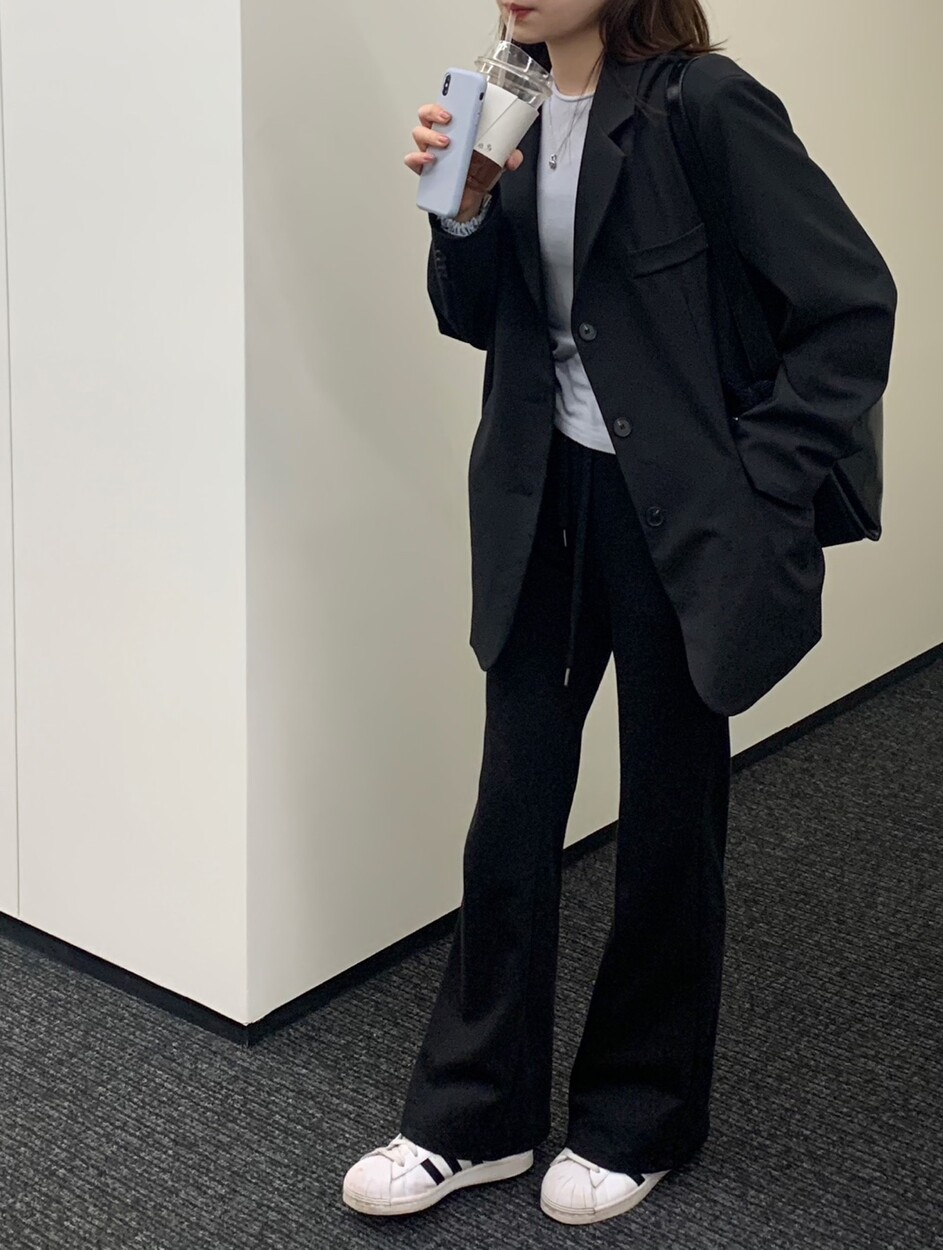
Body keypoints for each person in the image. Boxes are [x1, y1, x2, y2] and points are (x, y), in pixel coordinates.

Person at [343, 0, 897, 1227]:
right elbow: (475, 315)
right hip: (541, 498)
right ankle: (474, 1114)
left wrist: (759, 479)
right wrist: (465, 208)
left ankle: (638, 1113)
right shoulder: (507, 101)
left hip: (677, 517)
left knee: (667, 816)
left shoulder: (707, 104)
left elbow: (852, 302)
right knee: (511, 809)